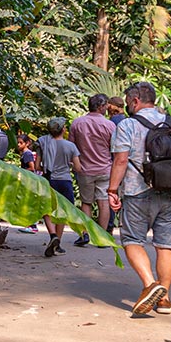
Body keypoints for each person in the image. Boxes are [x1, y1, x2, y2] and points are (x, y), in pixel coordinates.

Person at [107, 80, 171, 316]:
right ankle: (164, 298)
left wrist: (112, 190)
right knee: (166, 245)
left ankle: (150, 284)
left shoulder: (127, 125)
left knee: (132, 240)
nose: (127, 106)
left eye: (128, 102)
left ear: (135, 101)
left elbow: (121, 161)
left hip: (138, 192)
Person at [68, 94, 116, 245]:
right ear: (101, 107)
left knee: (86, 202)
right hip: (105, 169)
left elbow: (72, 147)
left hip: (84, 169)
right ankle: (101, 238)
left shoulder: (77, 123)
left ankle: (85, 234)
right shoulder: (109, 125)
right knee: (103, 202)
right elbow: (114, 148)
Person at [35, 117, 80, 257]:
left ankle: (52, 234)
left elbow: (37, 166)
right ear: (63, 130)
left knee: (46, 210)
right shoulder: (70, 146)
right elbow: (78, 167)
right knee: (63, 212)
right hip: (65, 181)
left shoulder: (43, 143)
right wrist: (69, 165)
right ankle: (58, 244)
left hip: (49, 180)